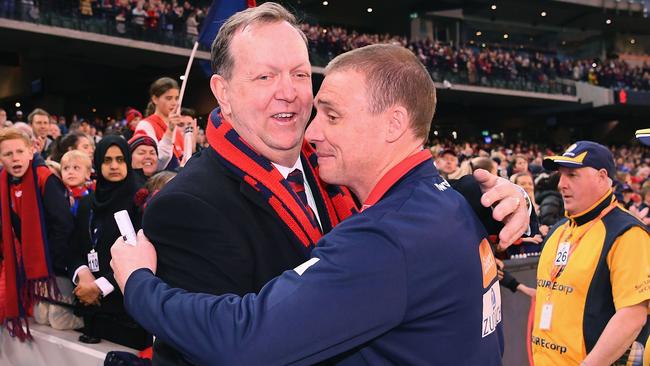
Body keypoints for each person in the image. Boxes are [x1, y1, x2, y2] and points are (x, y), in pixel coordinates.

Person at [115, 3, 529, 365]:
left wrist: (493, 198)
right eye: (265, 77)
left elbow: (405, 223)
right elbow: (217, 346)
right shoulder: (185, 205)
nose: (290, 94)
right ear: (222, 92)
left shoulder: (340, 166)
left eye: (298, 73)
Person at [532, 141, 649, 365]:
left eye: (572, 175)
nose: (561, 185)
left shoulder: (626, 232)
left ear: (602, 177)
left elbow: (633, 316)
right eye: (561, 175)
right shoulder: (558, 230)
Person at [68, 136, 151, 349]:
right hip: (90, 306)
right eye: (107, 160)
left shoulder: (139, 201)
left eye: (120, 159)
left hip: (126, 311)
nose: (114, 165)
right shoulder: (88, 202)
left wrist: (100, 286)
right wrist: (84, 275)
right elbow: (74, 247)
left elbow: (141, 258)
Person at [0, 127, 74, 338]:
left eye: (19, 152)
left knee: (54, 319)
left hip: (52, 265)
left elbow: (63, 226)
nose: (15, 158)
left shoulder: (45, 178)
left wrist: (49, 264)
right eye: (7, 154)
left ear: (31, 151)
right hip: (21, 263)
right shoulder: (2, 182)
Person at [134, 77, 182, 171]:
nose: (174, 103)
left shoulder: (177, 128)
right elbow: (154, 163)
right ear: (155, 99)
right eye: (169, 98)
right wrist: (169, 131)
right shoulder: (145, 125)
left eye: (176, 98)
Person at [60, 150, 93, 216]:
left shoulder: (91, 195)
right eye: (66, 168)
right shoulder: (60, 193)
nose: (70, 172)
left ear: (87, 173)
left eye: (76, 168)